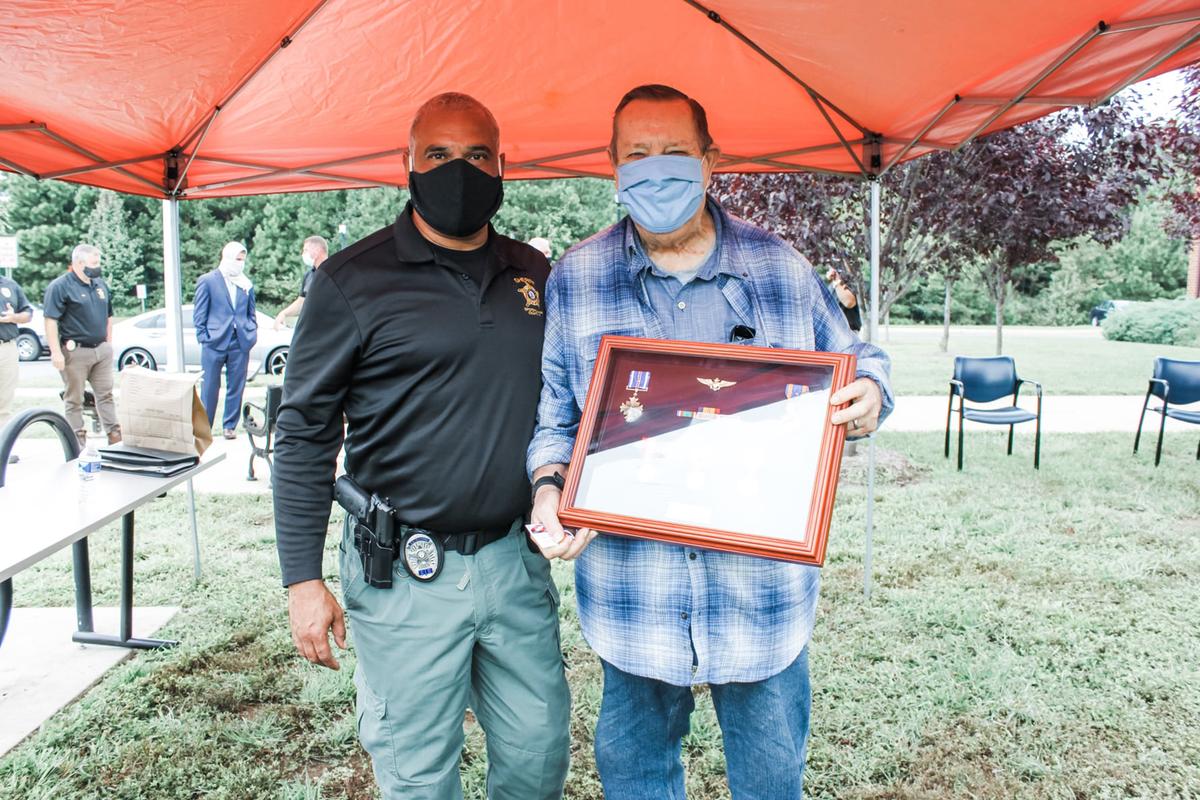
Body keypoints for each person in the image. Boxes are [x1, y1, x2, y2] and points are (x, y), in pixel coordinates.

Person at [527, 84, 894, 800]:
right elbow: (555, 421)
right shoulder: (576, 278)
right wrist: (549, 488)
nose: (654, 170)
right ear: (612, 165)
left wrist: (873, 392)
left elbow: (856, 357)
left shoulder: (780, 269)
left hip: (761, 603)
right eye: (637, 155)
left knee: (769, 783)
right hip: (635, 599)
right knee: (637, 781)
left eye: (674, 153)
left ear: (710, 159)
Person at [273, 92, 570, 800]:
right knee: (417, 774)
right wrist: (300, 581)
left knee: (538, 754)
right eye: (438, 155)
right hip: (405, 571)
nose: (457, 170)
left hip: (514, 564)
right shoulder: (351, 280)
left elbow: (576, 400)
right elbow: (304, 433)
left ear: (505, 167)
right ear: (404, 164)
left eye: (476, 156)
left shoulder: (534, 274)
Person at [43, 244, 121, 449]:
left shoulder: (100, 285)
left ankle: (114, 435)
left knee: (105, 394)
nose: (97, 267)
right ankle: (77, 442)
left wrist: (108, 344)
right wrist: (55, 352)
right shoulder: (60, 286)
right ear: (79, 263)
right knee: (74, 398)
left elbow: (109, 316)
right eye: (94, 263)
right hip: (75, 351)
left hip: (101, 350)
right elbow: (51, 320)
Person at [193, 242, 258, 440]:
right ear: (227, 257)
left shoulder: (246, 284)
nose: (240, 263)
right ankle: (206, 428)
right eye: (237, 259)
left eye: (243, 260)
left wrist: (251, 331)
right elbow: (200, 313)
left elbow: (251, 312)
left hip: (240, 342)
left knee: (236, 386)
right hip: (214, 342)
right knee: (210, 387)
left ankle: (230, 426)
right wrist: (204, 337)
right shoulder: (208, 280)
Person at [0, 271, 34, 462]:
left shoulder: (10, 284)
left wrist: (14, 317)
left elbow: (27, 313)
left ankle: (3, 451)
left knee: (4, 401)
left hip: (7, 347)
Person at [274, 235, 329, 330]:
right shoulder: (309, 275)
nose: (303, 254)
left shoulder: (334, 272)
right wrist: (284, 313)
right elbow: (301, 302)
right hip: (310, 328)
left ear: (317, 251)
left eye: (305, 250)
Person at [826, 268, 862, 332]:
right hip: (835, 333)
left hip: (849, 333)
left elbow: (849, 303)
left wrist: (837, 281)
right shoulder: (831, 287)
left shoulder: (849, 283)